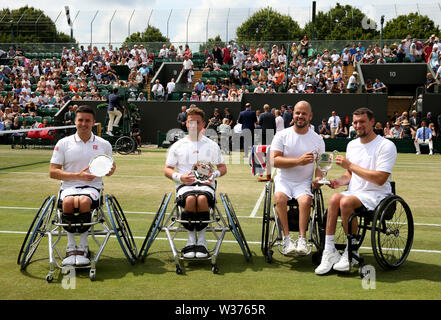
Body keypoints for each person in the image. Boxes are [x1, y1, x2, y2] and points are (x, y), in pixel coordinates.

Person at [315, 107, 397, 275]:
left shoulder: (386, 145)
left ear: (372, 122)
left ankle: (350, 251)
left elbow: (380, 178)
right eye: (355, 122)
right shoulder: (352, 144)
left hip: (377, 194)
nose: (358, 125)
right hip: (355, 192)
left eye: (362, 122)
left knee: (345, 201)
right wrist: (339, 181)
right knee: (333, 199)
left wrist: (349, 165)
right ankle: (329, 251)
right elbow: (350, 174)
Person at [49, 105, 116, 266]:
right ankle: (71, 246)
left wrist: (110, 170)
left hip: (93, 188)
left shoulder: (104, 144)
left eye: (87, 120)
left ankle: (83, 246)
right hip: (68, 187)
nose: (84, 124)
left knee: (84, 202)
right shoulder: (63, 143)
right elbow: (53, 172)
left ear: (93, 122)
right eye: (80, 120)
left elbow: (110, 168)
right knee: (68, 202)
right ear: (75, 121)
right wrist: (77, 176)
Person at [164, 107, 227, 258]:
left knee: (203, 199)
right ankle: (191, 240)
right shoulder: (178, 145)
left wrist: (214, 175)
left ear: (203, 124)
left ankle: (202, 241)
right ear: (186, 123)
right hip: (185, 186)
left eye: (197, 122)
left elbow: (222, 168)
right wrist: (180, 177)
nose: (193, 125)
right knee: (192, 199)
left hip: (206, 185)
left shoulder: (212, 145)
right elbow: (167, 170)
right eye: (190, 122)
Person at [270, 100, 325, 256]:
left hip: (304, 182)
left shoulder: (318, 140)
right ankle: (286, 239)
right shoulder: (282, 135)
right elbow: (274, 161)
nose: (300, 116)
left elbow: (320, 166)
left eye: (304, 113)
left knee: (306, 201)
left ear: (310, 116)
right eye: (297, 113)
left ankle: (302, 239)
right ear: (293, 115)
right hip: (284, 180)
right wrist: (298, 161)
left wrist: (318, 179)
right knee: (279, 198)